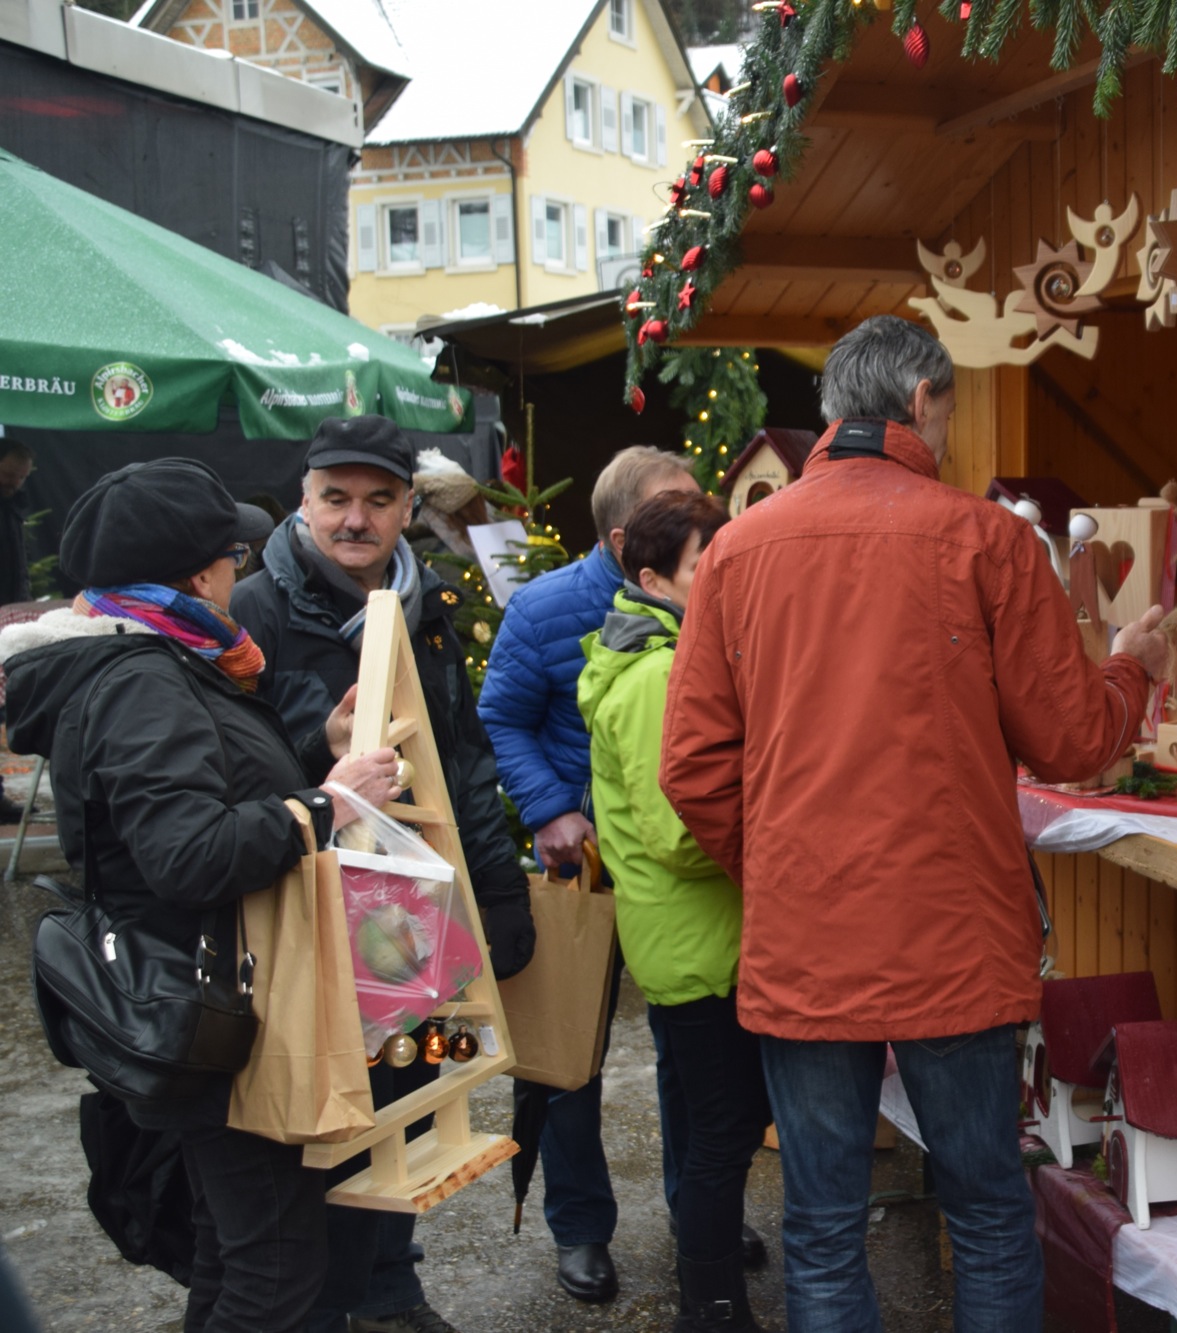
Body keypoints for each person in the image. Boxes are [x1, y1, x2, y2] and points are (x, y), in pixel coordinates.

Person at [662, 315, 1172, 1332]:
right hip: (951, 936)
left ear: (832, 412)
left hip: (805, 934)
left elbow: (693, 767)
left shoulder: (734, 551)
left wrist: (773, 865)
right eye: (948, 414)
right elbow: (1072, 739)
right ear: (924, 402)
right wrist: (1132, 665)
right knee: (986, 1210)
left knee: (817, 1226)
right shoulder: (985, 539)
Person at [0, 457, 402, 1332]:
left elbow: (210, 798)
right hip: (210, 1007)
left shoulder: (166, 662)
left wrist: (315, 751)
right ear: (195, 574)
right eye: (233, 557)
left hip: (226, 998)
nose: (242, 572)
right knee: (278, 1268)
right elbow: (189, 854)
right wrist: (329, 803)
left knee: (238, 1248)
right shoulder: (143, 678)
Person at [232, 415, 535, 1333]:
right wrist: (313, 753)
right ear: (304, 501)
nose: (354, 520)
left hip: (412, 896)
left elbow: (463, 756)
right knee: (328, 1108)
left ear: (408, 506)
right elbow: (235, 769)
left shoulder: (427, 605)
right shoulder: (256, 609)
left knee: (412, 1079)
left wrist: (497, 884)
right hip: (304, 901)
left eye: (376, 500)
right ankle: (329, 1302)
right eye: (335, 499)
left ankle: (392, 1289)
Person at [478, 446, 756, 1301]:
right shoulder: (549, 607)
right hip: (586, 864)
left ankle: (697, 1209)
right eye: (674, 508)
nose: (695, 518)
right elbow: (503, 712)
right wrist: (551, 807)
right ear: (627, 536)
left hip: (669, 875)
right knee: (571, 1061)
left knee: (689, 1059)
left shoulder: (703, 614)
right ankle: (582, 1229)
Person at [578, 489, 769, 1332]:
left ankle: (711, 1282)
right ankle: (713, 1306)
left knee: (710, 1131)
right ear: (653, 576)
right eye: (705, 565)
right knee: (723, 1136)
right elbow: (681, 833)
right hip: (700, 946)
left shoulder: (663, 652)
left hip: (691, 941)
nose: (723, 575)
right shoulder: (657, 673)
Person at [0, 439, 35, 605]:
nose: (15, 483)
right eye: (8, 474)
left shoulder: (12, 507)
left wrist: (23, 599)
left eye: (22, 477)